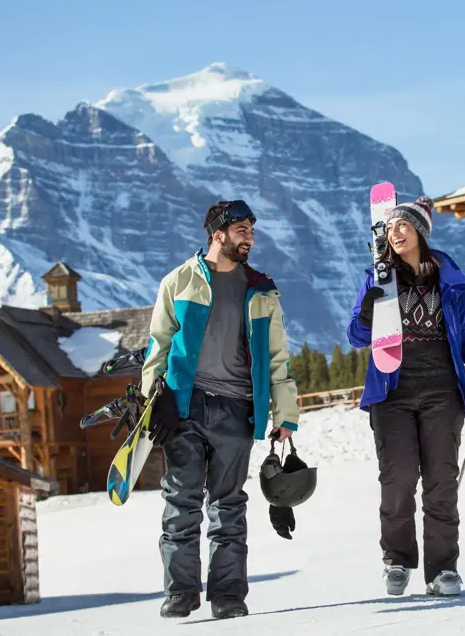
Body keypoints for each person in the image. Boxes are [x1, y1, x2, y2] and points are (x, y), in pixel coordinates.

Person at [140, 200, 301, 620]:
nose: (250, 238)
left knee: (228, 505)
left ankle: (228, 596)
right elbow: (158, 346)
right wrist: (151, 401)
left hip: (237, 408)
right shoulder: (179, 282)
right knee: (181, 502)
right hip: (185, 406)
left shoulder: (261, 289)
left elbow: (278, 356)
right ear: (218, 234)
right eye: (242, 230)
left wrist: (285, 414)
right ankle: (180, 593)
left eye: (252, 231)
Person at [347, 195, 465, 598]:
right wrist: (367, 313)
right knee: (398, 479)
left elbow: (463, 338)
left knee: (441, 482)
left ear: (420, 231)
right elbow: (356, 336)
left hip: (442, 391)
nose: (395, 232)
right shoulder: (378, 277)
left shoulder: (448, 280)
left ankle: (443, 569)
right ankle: (397, 561)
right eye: (390, 227)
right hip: (392, 392)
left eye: (403, 225)